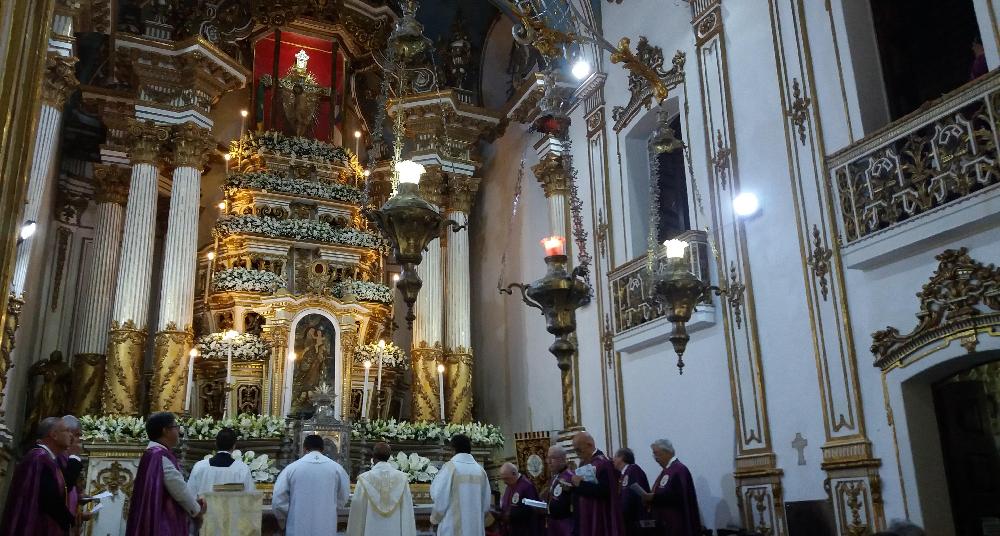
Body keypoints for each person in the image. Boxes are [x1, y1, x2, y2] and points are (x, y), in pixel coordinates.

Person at [126, 412, 205, 536]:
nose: (178, 431)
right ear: (165, 431)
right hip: (163, 521)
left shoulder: (150, 453)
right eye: (176, 427)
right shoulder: (160, 455)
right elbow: (179, 489)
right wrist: (196, 511)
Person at [0, 417, 76, 534]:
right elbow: (49, 499)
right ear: (54, 435)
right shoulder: (39, 458)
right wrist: (70, 520)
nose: (71, 435)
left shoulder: (47, 459)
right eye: (67, 431)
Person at [272, 434, 350, 535]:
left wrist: (285, 519)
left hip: (297, 527)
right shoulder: (337, 469)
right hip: (325, 526)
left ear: (304, 448)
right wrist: (329, 509)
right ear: (323, 449)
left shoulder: (291, 469)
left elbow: (279, 501)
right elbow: (343, 497)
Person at [346, 442, 416, 536]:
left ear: (373, 457)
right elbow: (407, 513)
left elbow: (357, 513)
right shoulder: (401, 478)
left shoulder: (364, 479)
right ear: (389, 457)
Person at [430, 434, 491, 536]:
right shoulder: (480, 471)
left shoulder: (450, 468)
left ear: (453, 449)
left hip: (452, 528)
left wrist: (435, 519)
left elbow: (439, 496)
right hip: (475, 529)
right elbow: (486, 506)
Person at [640, 439, 701, 536]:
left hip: (677, 523)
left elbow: (679, 497)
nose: (655, 458)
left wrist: (654, 497)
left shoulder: (679, 470)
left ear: (666, 452)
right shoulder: (667, 471)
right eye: (653, 454)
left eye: (656, 454)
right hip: (665, 523)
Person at [570, 431, 624, 536]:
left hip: (599, 518)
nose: (577, 454)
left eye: (578, 450)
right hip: (585, 518)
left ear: (589, 445)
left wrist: (579, 484)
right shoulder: (584, 464)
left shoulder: (604, 464)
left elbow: (605, 491)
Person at [186, 427, 255, 498]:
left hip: (205, 508)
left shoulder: (199, 466)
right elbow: (250, 498)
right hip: (232, 509)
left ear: (215, 444)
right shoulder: (242, 468)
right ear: (234, 446)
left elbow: (190, 495)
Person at [60, 415, 88, 535]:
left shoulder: (68, 457)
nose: (79, 439)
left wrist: (79, 497)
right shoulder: (59, 457)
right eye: (77, 435)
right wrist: (75, 456)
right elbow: (63, 486)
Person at [497, 462, 542, 536]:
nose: (504, 482)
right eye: (503, 479)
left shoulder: (527, 486)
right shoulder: (509, 486)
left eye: (506, 478)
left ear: (514, 473)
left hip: (525, 530)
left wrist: (511, 515)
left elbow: (533, 510)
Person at [542, 446, 575, 536]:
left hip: (565, 527)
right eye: (548, 458)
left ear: (562, 459)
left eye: (552, 458)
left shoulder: (570, 477)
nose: (548, 462)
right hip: (553, 525)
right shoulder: (555, 477)